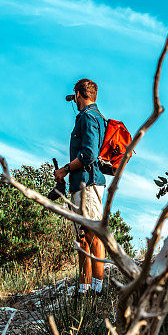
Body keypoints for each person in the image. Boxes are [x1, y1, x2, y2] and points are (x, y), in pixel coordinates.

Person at [54, 78, 107, 294]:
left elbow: (88, 154)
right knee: (82, 237)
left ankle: (98, 289)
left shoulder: (88, 117)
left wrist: (64, 170)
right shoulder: (90, 117)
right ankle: (84, 288)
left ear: (78, 94)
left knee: (93, 235)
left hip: (88, 184)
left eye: (74, 97)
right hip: (81, 184)